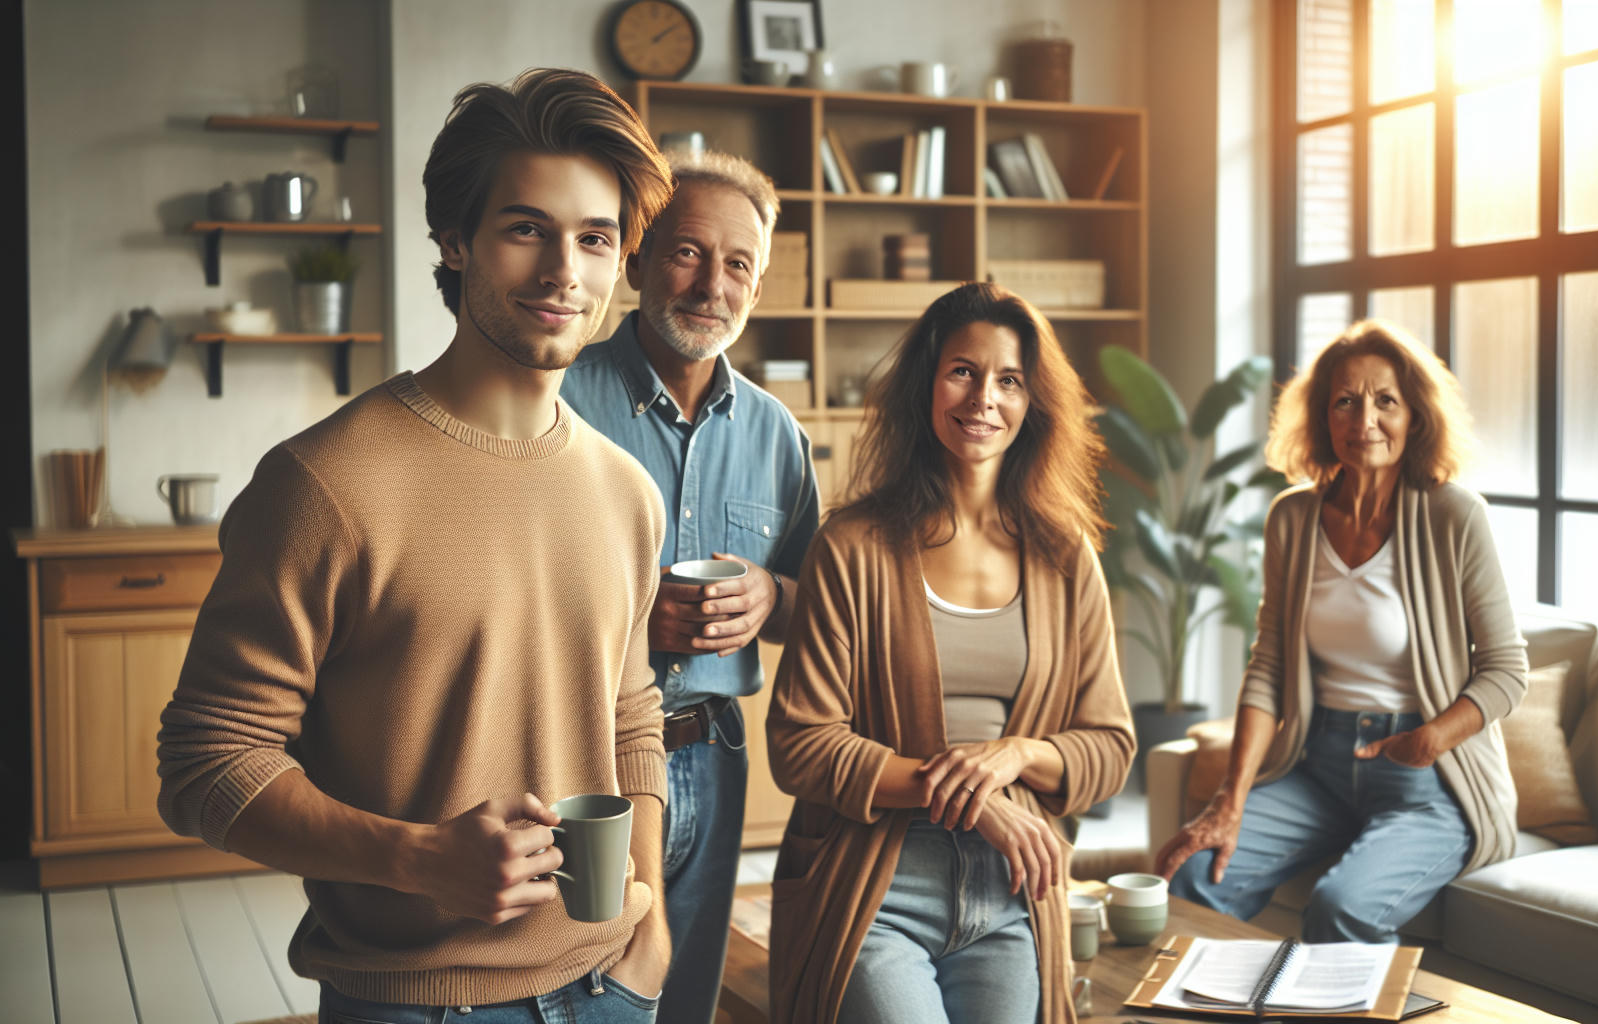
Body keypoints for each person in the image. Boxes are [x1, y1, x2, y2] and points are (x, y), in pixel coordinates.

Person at [156, 68, 677, 1022]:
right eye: (527, 229)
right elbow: (206, 762)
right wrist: (416, 858)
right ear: (454, 239)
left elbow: (631, 716)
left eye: (595, 239)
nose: (567, 271)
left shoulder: (627, 491)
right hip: (413, 1004)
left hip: (613, 987)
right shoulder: (324, 484)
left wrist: (649, 915)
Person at [764, 282, 1136, 1024]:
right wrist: (980, 806)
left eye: (1009, 380)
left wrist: (1017, 756)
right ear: (927, 384)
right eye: (963, 371)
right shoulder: (853, 546)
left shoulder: (1067, 558)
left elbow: (1111, 747)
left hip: (1010, 896)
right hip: (877, 886)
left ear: (1034, 404)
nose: (983, 399)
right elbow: (801, 746)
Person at [1152, 318, 1529, 944]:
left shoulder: (1453, 515)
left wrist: (1432, 738)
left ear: (1415, 415)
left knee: (1339, 909)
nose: (1365, 421)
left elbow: (1507, 670)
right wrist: (1229, 800)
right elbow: (1268, 667)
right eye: (1346, 403)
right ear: (1323, 418)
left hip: (1426, 774)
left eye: (1386, 401)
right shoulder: (1293, 518)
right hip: (1317, 763)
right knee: (1194, 880)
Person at [559, 149, 820, 1024]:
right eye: (687, 253)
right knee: (577, 991)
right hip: (579, 756)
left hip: (714, 757)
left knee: (685, 1000)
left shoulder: (778, 434)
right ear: (635, 259)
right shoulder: (558, 401)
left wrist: (771, 600)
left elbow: (813, 604)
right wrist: (634, 617)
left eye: (738, 264)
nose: (713, 284)